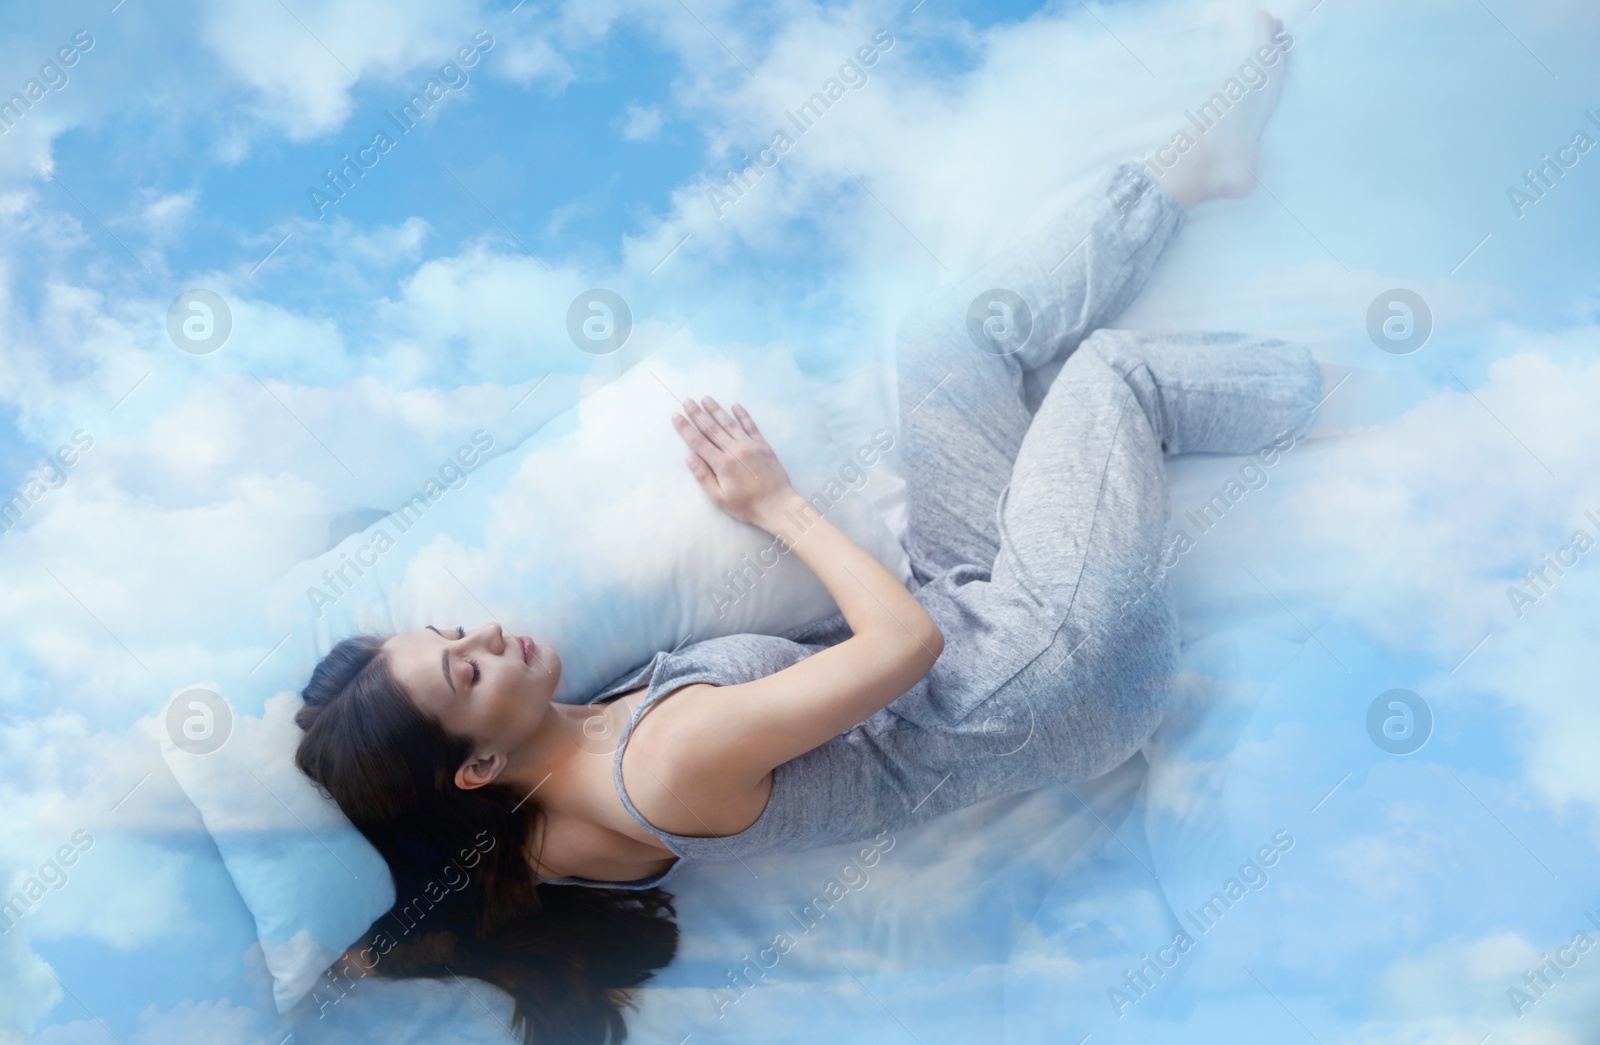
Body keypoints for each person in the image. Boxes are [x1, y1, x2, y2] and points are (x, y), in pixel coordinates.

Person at [293, 11, 1317, 1042]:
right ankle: (1329, 384)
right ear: (473, 768)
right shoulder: (659, 761)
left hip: (961, 598)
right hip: (1050, 665)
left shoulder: (538, 814)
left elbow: (467, 888)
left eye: (454, 631)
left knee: (947, 343)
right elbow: (900, 648)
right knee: (1109, 378)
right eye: (465, 672)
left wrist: (373, 946)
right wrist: (772, 502)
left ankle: (1192, 177)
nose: (485, 638)